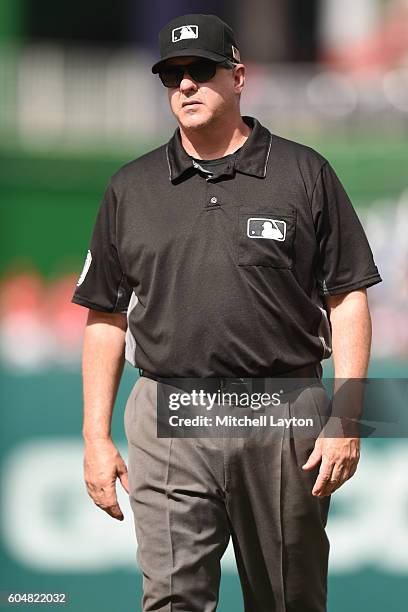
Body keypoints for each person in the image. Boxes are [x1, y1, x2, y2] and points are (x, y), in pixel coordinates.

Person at [71, 13, 382, 612]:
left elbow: (348, 296)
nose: (184, 85)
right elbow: (105, 317)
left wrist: (349, 417)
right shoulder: (131, 187)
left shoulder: (304, 172)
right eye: (171, 75)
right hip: (170, 412)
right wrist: (94, 438)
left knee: (289, 599)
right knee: (171, 600)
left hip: (281, 410)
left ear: (238, 77)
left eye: (199, 70)